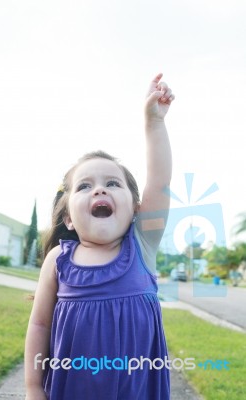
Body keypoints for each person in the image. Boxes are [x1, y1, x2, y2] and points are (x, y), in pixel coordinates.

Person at [24, 72, 175, 400]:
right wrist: (34, 387)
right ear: (69, 217)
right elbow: (39, 327)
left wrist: (154, 122)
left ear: (136, 208)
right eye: (85, 185)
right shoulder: (58, 261)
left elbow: (160, 178)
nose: (100, 189)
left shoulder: (141, 247)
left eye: (113, 183)